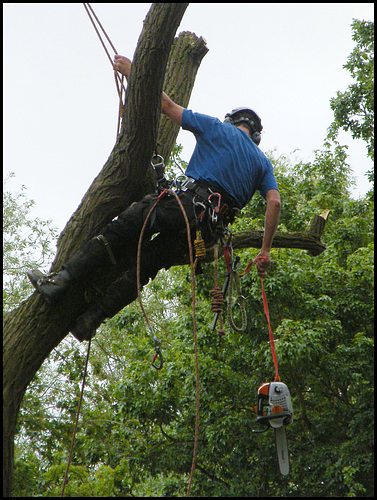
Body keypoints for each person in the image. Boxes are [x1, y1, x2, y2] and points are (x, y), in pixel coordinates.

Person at [28, 55, 281, 342]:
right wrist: (266, 250)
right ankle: (90, 321)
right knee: (144, 269)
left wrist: (133, 73)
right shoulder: (263, 164)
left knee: (121, 230)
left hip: (186, 205)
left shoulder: (217, 128)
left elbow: (166, 106)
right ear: (256, 136)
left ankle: (60, 280)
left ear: (232, 121)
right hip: (204, 235)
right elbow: (274, 203)